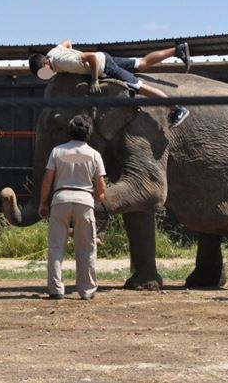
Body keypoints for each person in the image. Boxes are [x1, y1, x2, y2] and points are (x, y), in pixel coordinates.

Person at [29, 40, 191, 128]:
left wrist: (94, 79)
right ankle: (178, 50)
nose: (44, 77)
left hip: (104, 66)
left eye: (42, 74)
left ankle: (177, 108)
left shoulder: (63, 62)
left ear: (44, 66)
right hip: (105, 57)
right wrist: (73, 52)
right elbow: (67, 42)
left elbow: (90, 57)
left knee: (138, 86)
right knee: (140, 63)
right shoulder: (52, 53)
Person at [38, 115, 106, 301]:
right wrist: (99, 201)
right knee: (87, 248)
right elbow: (101, 186)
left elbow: (47, 179)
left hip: (60, 200)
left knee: (56, 247)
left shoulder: (57, 152)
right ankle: (87, 290)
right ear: (89, 133)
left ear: (69, 131)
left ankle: (56, 289)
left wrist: (43, 203)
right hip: (84, 201)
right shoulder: (94, 154)